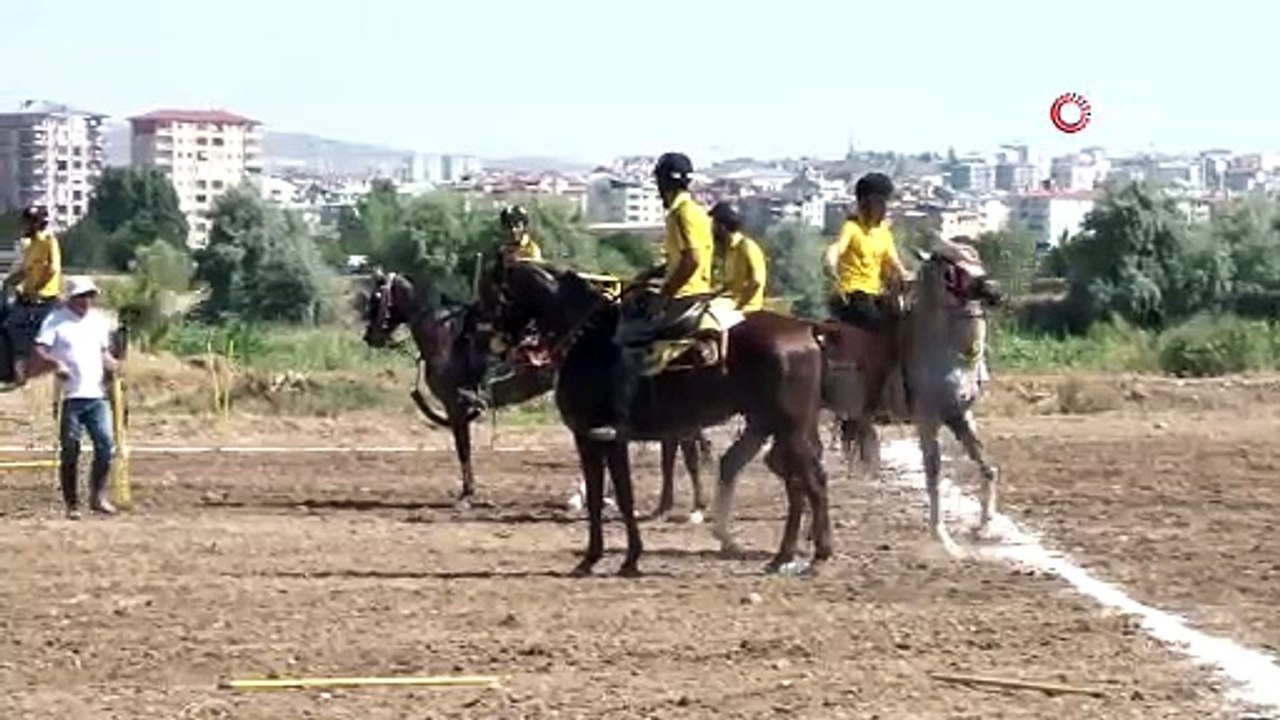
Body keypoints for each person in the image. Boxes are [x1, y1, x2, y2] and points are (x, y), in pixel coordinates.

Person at [587, 152, 715, 442]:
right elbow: (683, 257)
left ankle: (623, 419)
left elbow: (692, 260)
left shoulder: (681, 213)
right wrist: (651, 273)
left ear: (663, 183)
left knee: (624, 338)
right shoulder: (697, 210)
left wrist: (664, 295)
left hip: (684, 297)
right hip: (698, 290)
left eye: (657, 181)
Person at [33, 276, 119, 519]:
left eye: (90, 296)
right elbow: (40, 349)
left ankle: (98, 496)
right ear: (71, 297)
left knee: (105, 446)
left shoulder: (99, 322)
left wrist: (112, 364)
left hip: (97, 396)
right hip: (71, 396)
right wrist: (55, 363)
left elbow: (103, 353)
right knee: (70, 449)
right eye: (81, 296)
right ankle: (72, 504)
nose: (86, 301)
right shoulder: (55, 321)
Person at [824, 172, 907, 331]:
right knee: (878, 324)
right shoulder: (851, 228)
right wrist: (830, 262)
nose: (885, 208)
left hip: (876, 294)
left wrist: (906, 276)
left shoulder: (884, 233)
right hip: (852, 294)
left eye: (886, 202)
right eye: (880, 202)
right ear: (865, 203)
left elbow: (895, 263)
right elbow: (836, 248)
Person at [3, 206, 63, 384]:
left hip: (42, 298)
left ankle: (20, 370)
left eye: (28, 222)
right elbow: (25, 271)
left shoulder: (49, 241)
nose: (24, 226)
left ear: (38, 223)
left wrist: (36, 290)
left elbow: (53, 269)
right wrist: (7, 282)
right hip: (29, 296)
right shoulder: (31, 244)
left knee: (13, 325)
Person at [709, 201, 767, 313]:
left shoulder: (747, 246)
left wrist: (739, 304)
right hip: (731, 301)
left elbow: (756, 281)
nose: (712, 228)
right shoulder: (730, 249)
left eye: (714, 224)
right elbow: (731, 284)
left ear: (722, 226)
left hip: (747, 306)